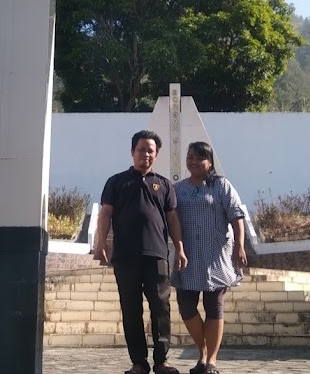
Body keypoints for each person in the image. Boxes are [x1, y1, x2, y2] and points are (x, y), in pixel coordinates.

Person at [95, 130, 188, 374]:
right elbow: (105, 213)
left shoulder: (164, 184)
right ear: (132, 151)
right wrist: (100, 243)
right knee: (131, 308)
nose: (145, 154)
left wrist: (179, 248)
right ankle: (138, 362)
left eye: (150, 150)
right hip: (125, 256)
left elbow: (172, 218)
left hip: (156, 255)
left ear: (156, 155)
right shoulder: (116, 182)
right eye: (141, 149)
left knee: (161, 306)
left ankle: (162, 360)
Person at [171, 141, 247, 374]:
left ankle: (210, 360)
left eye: (199, 157)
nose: (193, 161)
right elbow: (171, 218)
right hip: (187, 257)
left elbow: (237, 216)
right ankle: (202, 351)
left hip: (216, 257)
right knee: (186, 306)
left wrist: (240, 247)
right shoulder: (178, 188)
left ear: (210, 161)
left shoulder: (221, 186)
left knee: (214, 306)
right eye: (190, 157)